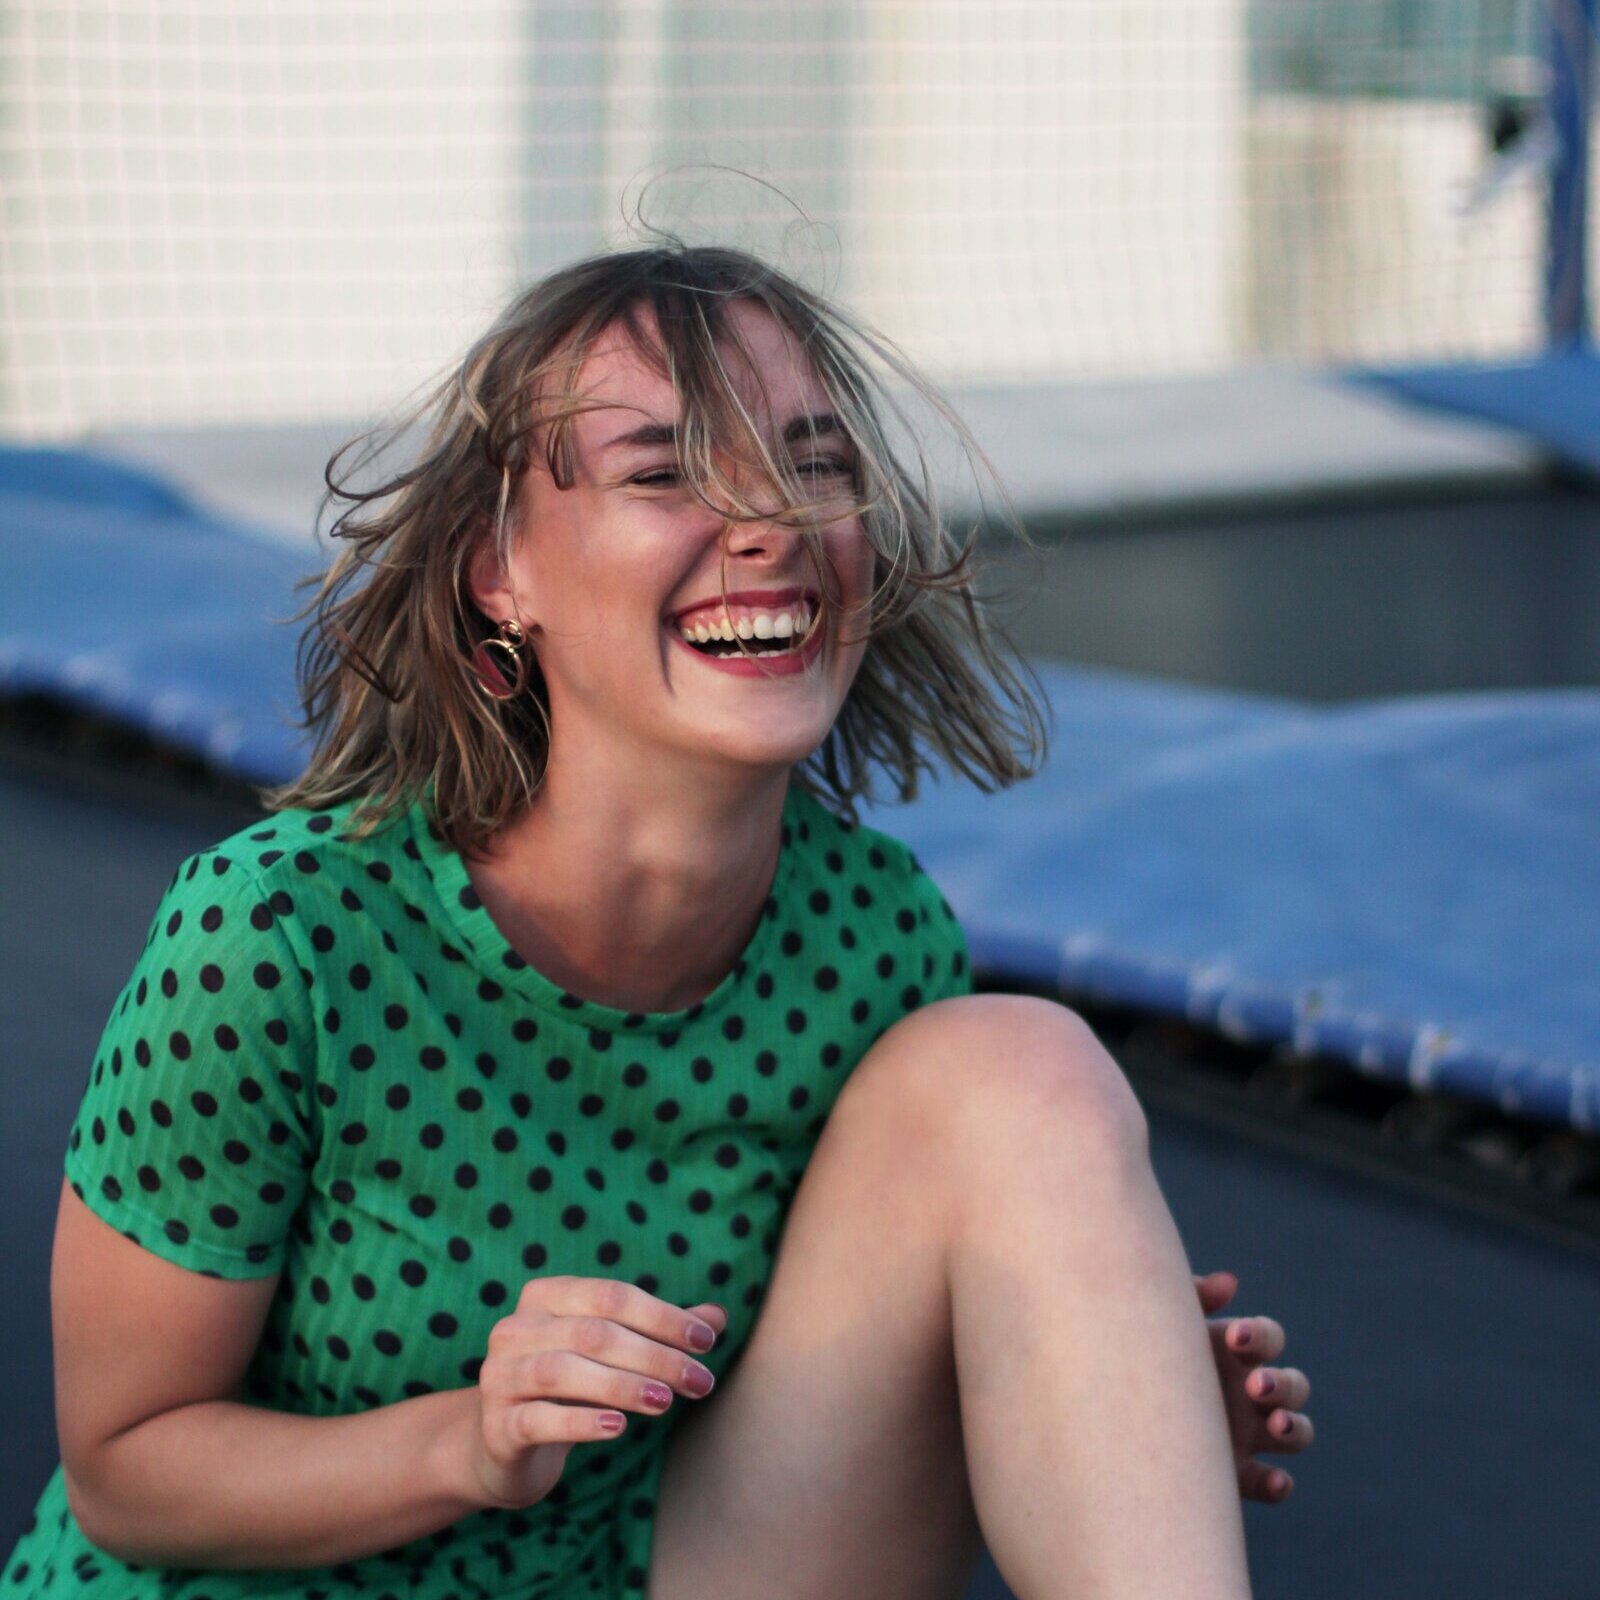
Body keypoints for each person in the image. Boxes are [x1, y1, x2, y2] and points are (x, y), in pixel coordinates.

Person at [3, 245, 1312, 1600]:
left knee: (1020, 1069)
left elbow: (846, 1421)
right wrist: (468, 1441)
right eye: (664, 472)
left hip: (645, 1571)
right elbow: (124, 1467)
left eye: (812, 465)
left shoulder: (875, 943)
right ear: (500, 569)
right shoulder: (279, 936)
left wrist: (1091, 1408)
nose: (771, 526)